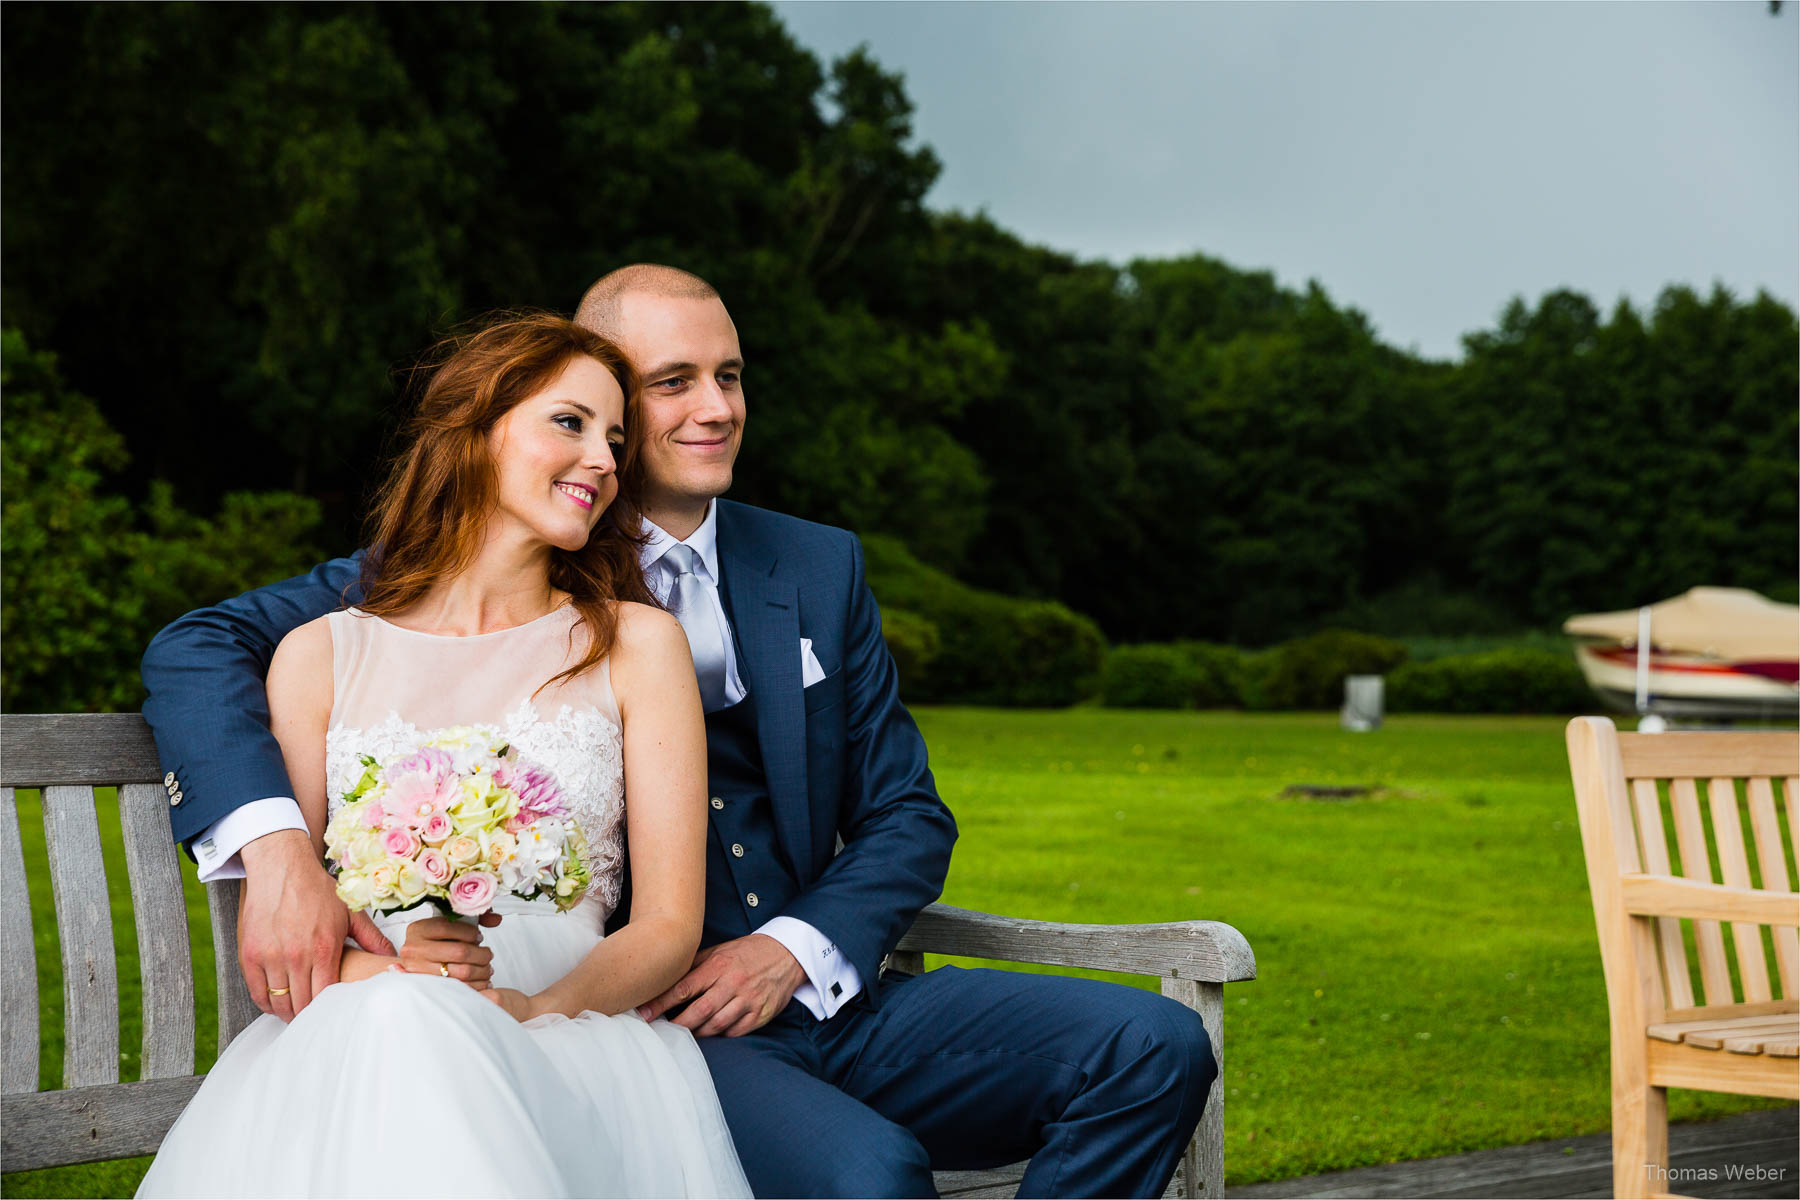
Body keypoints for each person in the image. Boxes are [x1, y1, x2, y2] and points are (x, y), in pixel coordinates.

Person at [142, 266, 1218, 1198]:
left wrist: (788, 952)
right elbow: (198, 647)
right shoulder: (428, 580)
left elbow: (904, 813)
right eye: (670, 384)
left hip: (819, 992)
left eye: (731, 376)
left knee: (1153, 1043)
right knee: (870, 1171)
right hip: (655, 1028)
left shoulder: (815, 566)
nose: (715, 408)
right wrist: (279, 850)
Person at [136, 314, 751, 1197]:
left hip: (565, 1027)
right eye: (570, 423)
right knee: (403, 1027)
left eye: (616, 439)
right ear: (475, 427)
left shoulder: (637, 646)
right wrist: (400, 977)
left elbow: (665, 928)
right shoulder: (320, 654)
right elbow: (292, 937)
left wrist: (532, 1010)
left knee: (420, 1039)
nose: (608, 461)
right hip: (367, 1021)